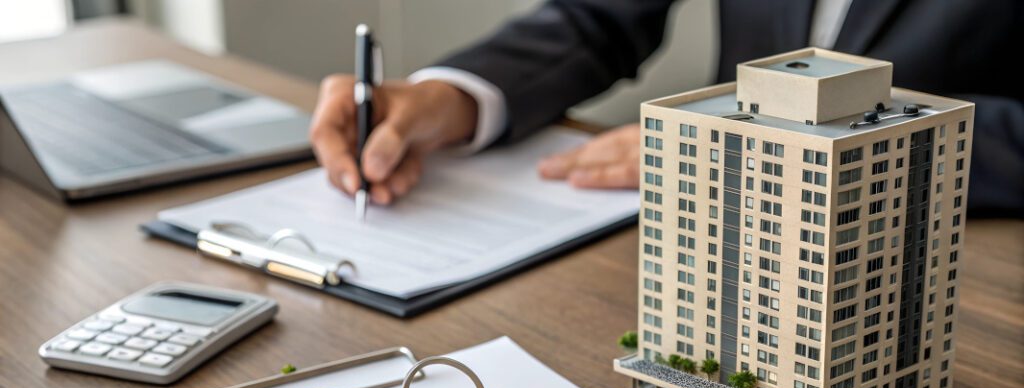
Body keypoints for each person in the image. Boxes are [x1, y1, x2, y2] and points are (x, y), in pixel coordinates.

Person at [310, 0, 1022, 215]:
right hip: (720, 229)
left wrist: (780, 145)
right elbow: (600, 17)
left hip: (955, 254)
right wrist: (450, 96)